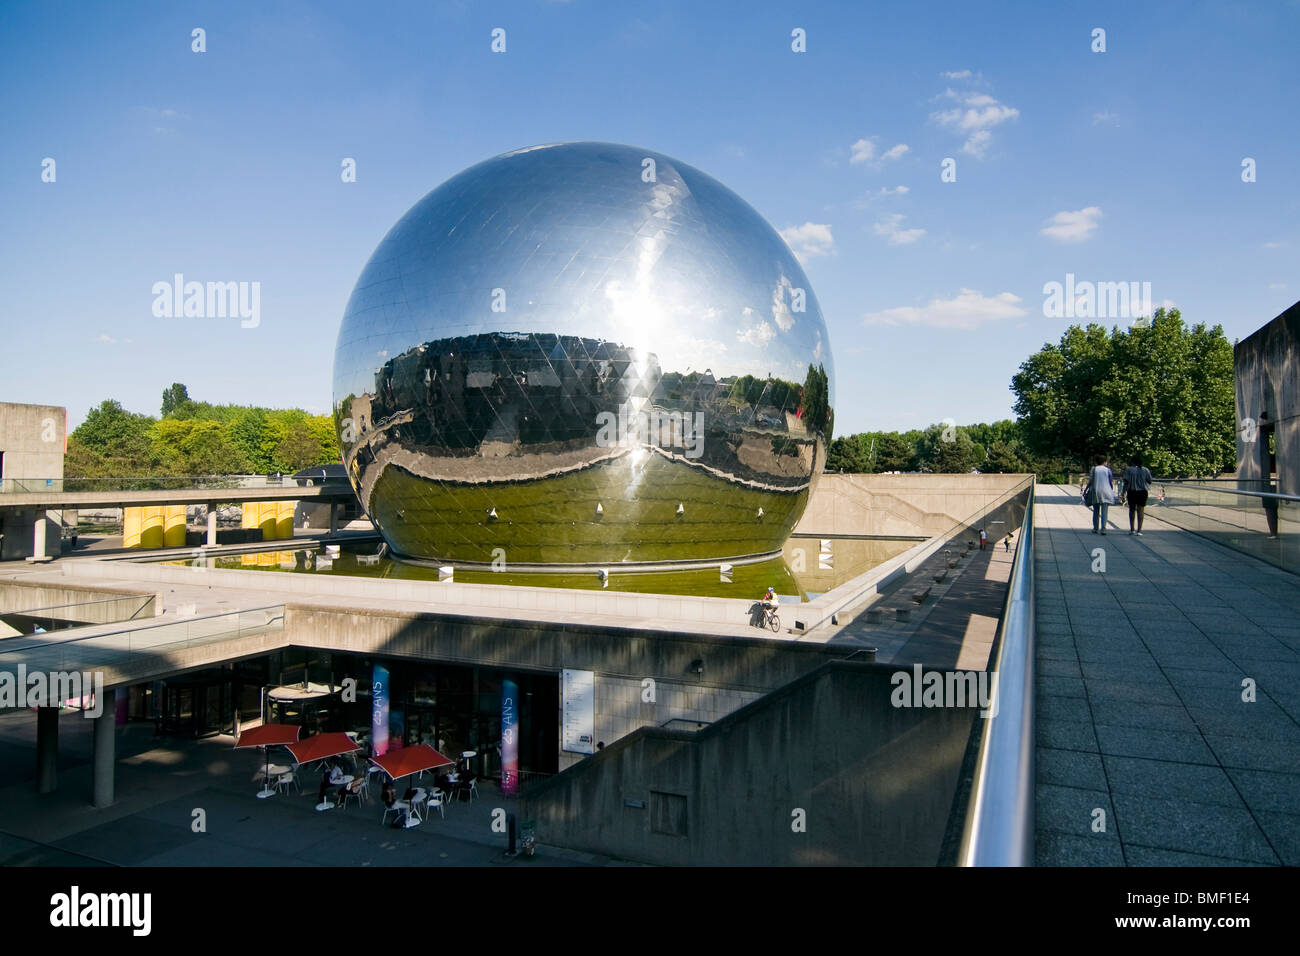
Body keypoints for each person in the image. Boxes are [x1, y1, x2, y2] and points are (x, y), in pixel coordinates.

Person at [1086, 454, 1119, 535]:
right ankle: (1103, 528)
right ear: (1105, 462)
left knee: (1096, 511)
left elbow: (1091, 480)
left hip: (1096, 491)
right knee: (1104, 511)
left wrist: (1086, 489)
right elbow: (1110, 481)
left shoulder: (1094, 469)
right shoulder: (1108, 470)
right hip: (1106, 491)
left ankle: (1095, 528)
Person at [1122, 454, 1153, 535]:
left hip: (1132, 491)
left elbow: (1126, 482)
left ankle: (1132, 529)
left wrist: (1123, 493)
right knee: (1141, 510)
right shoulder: (1145, 470)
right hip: (1143, 492)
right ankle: (1139, 530)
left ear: (1132, 462)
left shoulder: (1128, 470)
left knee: (1132, 510)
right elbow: (1149, 481)